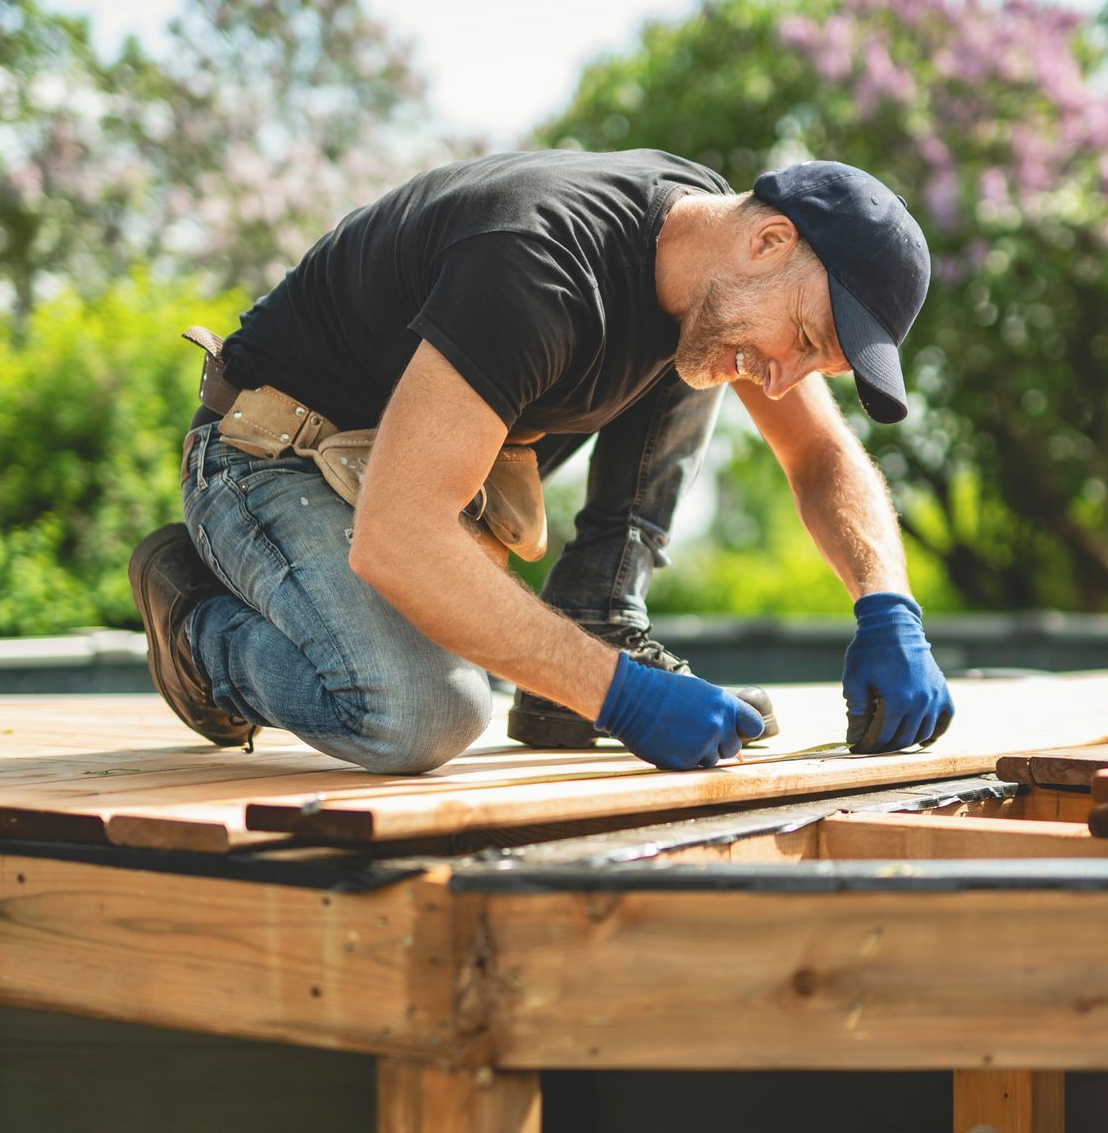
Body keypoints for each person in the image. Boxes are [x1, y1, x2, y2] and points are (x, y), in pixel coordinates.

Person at [128, 149, 954, 774]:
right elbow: (398, 536)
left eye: (820, 367)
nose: (787, 377)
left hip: (401, 469)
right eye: (806, 340)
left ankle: (600, 613)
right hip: (267, 458)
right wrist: (619, 696)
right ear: (770, 240)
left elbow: (817, 451)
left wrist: (891, 609)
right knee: (421, 714)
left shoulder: (709, 257)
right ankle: (202, 636)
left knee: (712, 350)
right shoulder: (537, 264)